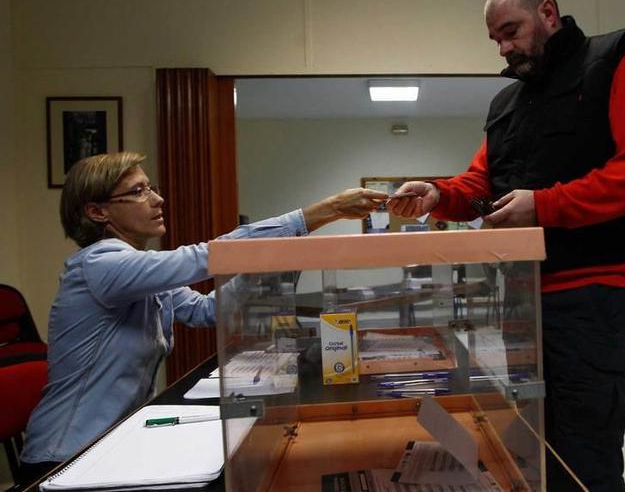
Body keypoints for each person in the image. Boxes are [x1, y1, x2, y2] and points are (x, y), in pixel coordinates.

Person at [387, 0, 625, 490]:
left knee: (584, 450)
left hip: (590, 292)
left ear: (547, 12)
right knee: (528, 445)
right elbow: (483, 185)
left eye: (511, 30)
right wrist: (438, 194)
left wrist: (545, 205)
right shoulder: (508, 103)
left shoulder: (618, 58)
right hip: (518, 297)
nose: (503, 47)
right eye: (496, 39)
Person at [19, 152, 387, 481]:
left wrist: (270, 261)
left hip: (114, 444)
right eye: (138, 192)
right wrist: (322, 212)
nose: (157, 199)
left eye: (151, 187)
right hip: (65, 459)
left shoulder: (137, 271)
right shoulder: (100, 264)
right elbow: (202, 257)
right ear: (97, 212)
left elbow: (207, 310)